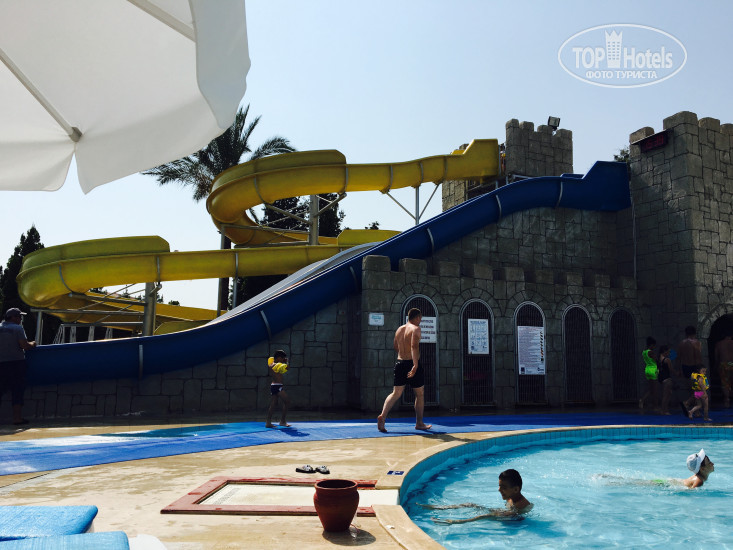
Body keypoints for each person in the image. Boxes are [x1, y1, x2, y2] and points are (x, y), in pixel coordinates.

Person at [377, 308, 432, 433]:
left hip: (400, 363)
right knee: (419, 394)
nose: (420, 321)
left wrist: (403, 355)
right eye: (420, 318)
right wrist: (415, 365)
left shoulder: (399, 329)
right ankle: (419, 423)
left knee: (396, 393)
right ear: (417, 317)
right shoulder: (416, 329)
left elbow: (395, 346)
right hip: (412, 363)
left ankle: (383, 416)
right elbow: (414, 346)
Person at [424, 469, 533, 523]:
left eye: (503, 487)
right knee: (470, 504)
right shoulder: (511, 496)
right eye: (499, 486)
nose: (499, 490)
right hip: (507, 514)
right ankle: (440, 508)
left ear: (516, 489)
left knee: (485, 516)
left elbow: (512, 515)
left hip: (515, 522)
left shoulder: (521, 505)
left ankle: (455, 522)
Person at [0, 308, 36, 425]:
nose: (21, 319)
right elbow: (24, 346)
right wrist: (33, 344)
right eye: (19, 317)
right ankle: (17, 418)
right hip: (16, 364)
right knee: (17, 390)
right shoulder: (17, 328)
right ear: (13, 317)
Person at [265, 349, 291, 428]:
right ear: (279, 358)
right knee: (287, 401)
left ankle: (268, 422)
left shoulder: (271, 364)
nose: (283, 360)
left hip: (274, 385)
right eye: (282, 358)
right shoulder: (276, 365)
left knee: (273, 403)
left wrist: (282, 362)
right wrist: (287, 362)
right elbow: (287, 368)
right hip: (277, 386)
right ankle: (282, 421)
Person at [639, 337, 659, 411]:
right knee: (655, 390)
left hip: (647, 369)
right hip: (653, 370)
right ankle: (655, 406)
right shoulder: (650, 352)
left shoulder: (644, 352)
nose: (654, 347)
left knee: (651, 389)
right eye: (653, 345)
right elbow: (656, 360)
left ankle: (642, 399)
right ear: (651, 345)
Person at [714, 332, 733, 408]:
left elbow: (716, 357)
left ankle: (727, 399)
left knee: (725, 383)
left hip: (724, 364)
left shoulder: (719, 344)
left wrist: (716, 366)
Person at [657, 345, 674, 415]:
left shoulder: (658, 359)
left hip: (661, 378)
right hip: (667, 378)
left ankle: (664, 410)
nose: (669, 353)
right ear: (664, 351)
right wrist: (678, 374)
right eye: (668, 352)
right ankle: (664, 410)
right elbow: (671, 370)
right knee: (666, 395)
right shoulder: (667, 360)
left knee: (666, 394)